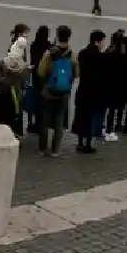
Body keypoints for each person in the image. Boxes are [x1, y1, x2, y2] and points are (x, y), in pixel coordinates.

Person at [37, 25, 77, 157]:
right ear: (69, 37)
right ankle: (56, 149)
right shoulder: (72, 55)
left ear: (57, 35)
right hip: (64, 92)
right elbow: (76, 73)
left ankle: (43, 148)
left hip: (49, 91)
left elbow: (41, 72)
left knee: (45, 119)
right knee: (59, 120)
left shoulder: (49, 53)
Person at [73, 30, 106, 154]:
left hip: (83, 89)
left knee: (81, 115)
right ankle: (88, 143)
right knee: (91, 117)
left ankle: (80, 142)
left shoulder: (82, 53)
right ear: (97, 41)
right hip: (94, 91)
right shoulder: (100, 57)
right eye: (103, 41)